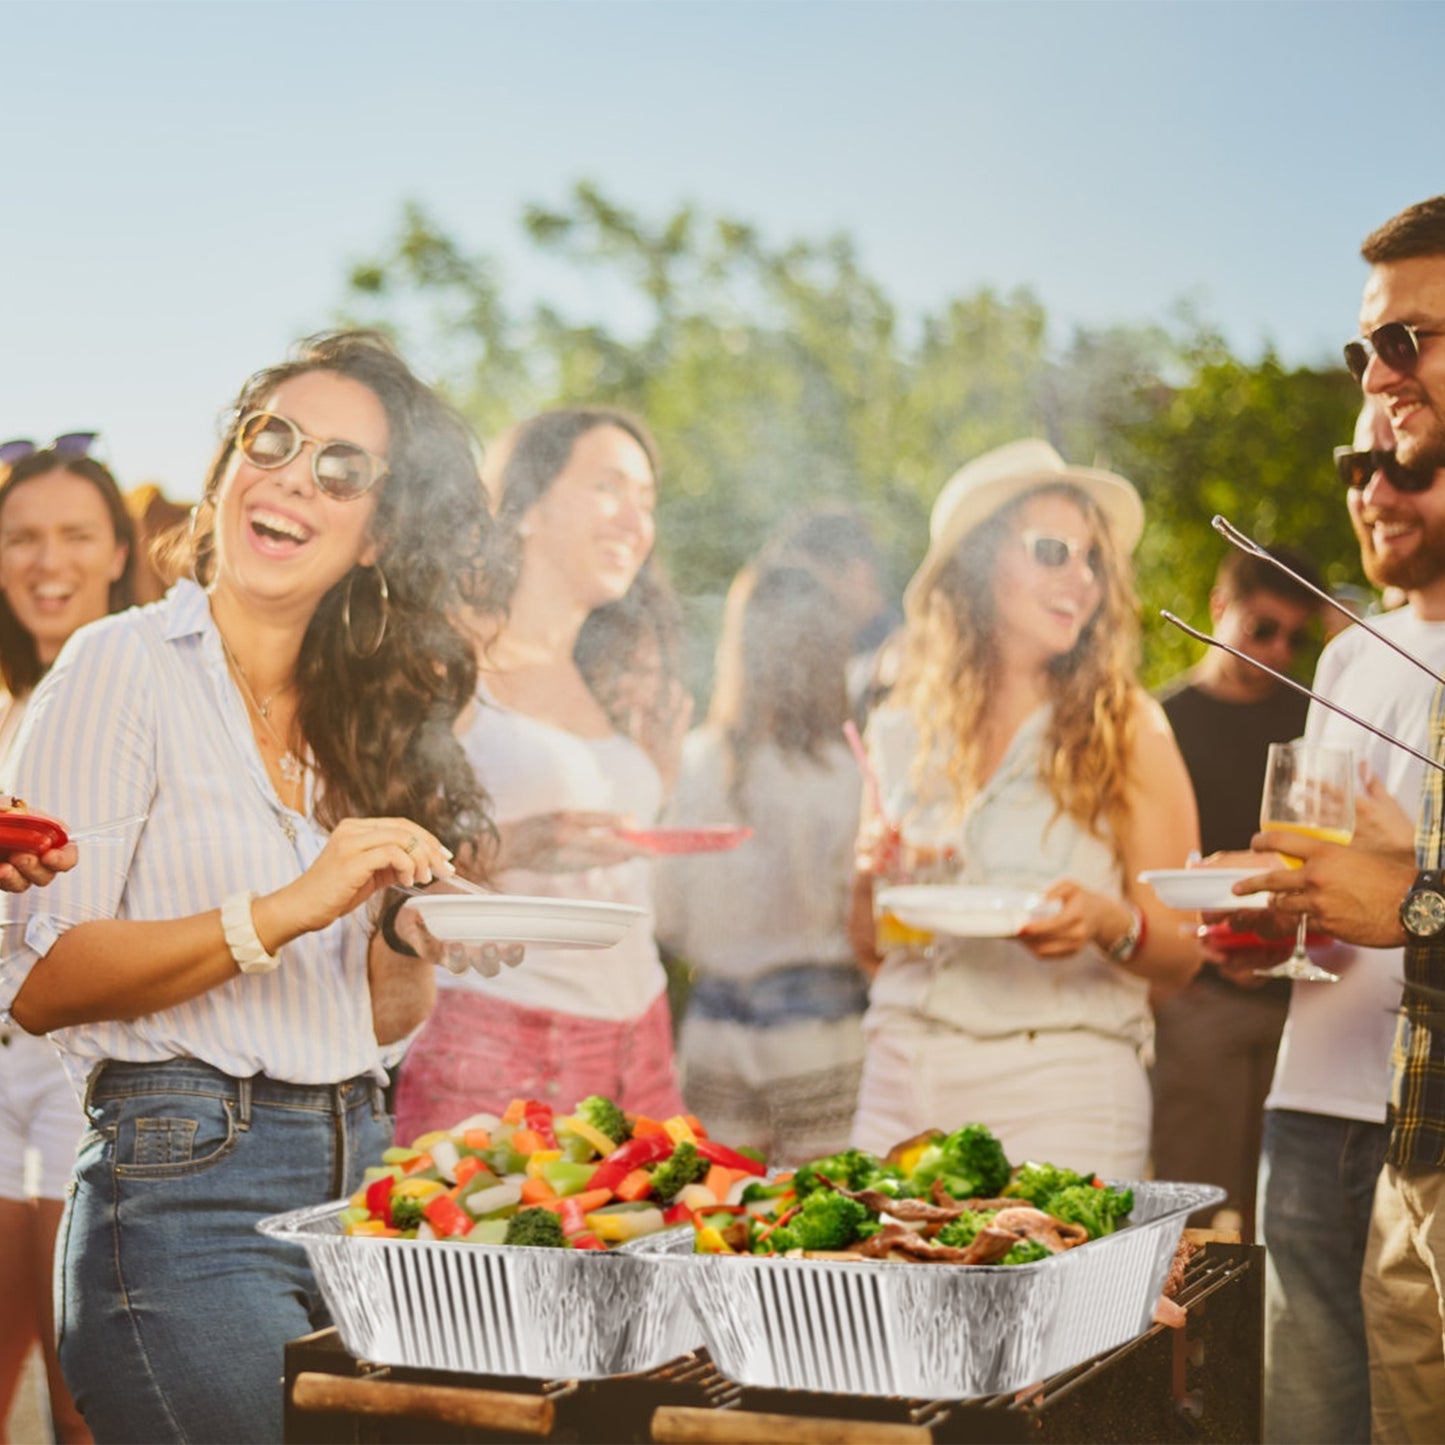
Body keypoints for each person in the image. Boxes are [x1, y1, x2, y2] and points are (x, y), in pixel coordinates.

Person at [0, 330, 509, 1444]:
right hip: (182, 1200)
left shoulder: (362, 716)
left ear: (379, 537)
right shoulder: (120, 662)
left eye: (342, 467)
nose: (292, 477)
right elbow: (39, 980)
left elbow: (379, 1019)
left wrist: (411, 931)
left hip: (358, 1186)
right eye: (271, 439)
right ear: (228, 466)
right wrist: (287, 907)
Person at [848, 438, 1200, 1177]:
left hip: (1061, 1083)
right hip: (901, 1070)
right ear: (977, 564)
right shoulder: (903, 726)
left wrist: (1106, 923)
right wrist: (866, 879)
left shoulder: (1127, 727)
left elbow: (1182, 946)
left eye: (1092, 560)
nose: (1083, 580)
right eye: (1051, 552)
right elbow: (872, 948)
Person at [1243, 195, 1445, 1444]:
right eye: (1364, 349)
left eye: (1406, 340)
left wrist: (1411, 897)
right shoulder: (1349, 657)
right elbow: (1328, 865)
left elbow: (1405, 893)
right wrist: (1264, 915)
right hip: (1354, 1111)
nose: (1376, 379)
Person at [393, 407, 691, 1139]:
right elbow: (380, 872)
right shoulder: (448, 658)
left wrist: (653, 783)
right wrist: (514, 845)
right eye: (607, 487)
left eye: (646, 499)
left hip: (642, 1036)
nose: (635, 521)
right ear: (525, 506)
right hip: (501, 1043)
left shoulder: (611, 679)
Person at [0, 437, 135, 1444]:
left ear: (120, 551)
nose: (48, 562)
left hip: (89, 1069)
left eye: (76, 534)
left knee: (80, 1395)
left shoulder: (152, 691)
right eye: (21, 537)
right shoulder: (8, 700)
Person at [654, 562, 867, 1166]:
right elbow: (864, 919)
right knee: (821, 1214)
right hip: (821, 1034)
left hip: (714, 1035)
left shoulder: (695, 761)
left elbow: (665, 916)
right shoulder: (847, 772)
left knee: (724, 1209)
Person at [1151, 544, 1321, 1241]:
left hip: (1304, 999)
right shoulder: (1160, 721)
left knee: (1286, 1225)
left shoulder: (1314, 718)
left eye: (1295, 638)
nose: (1278, 651)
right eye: (1262, 629)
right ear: (1219, 606)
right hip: (1199, 997)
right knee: (1186, 1216)